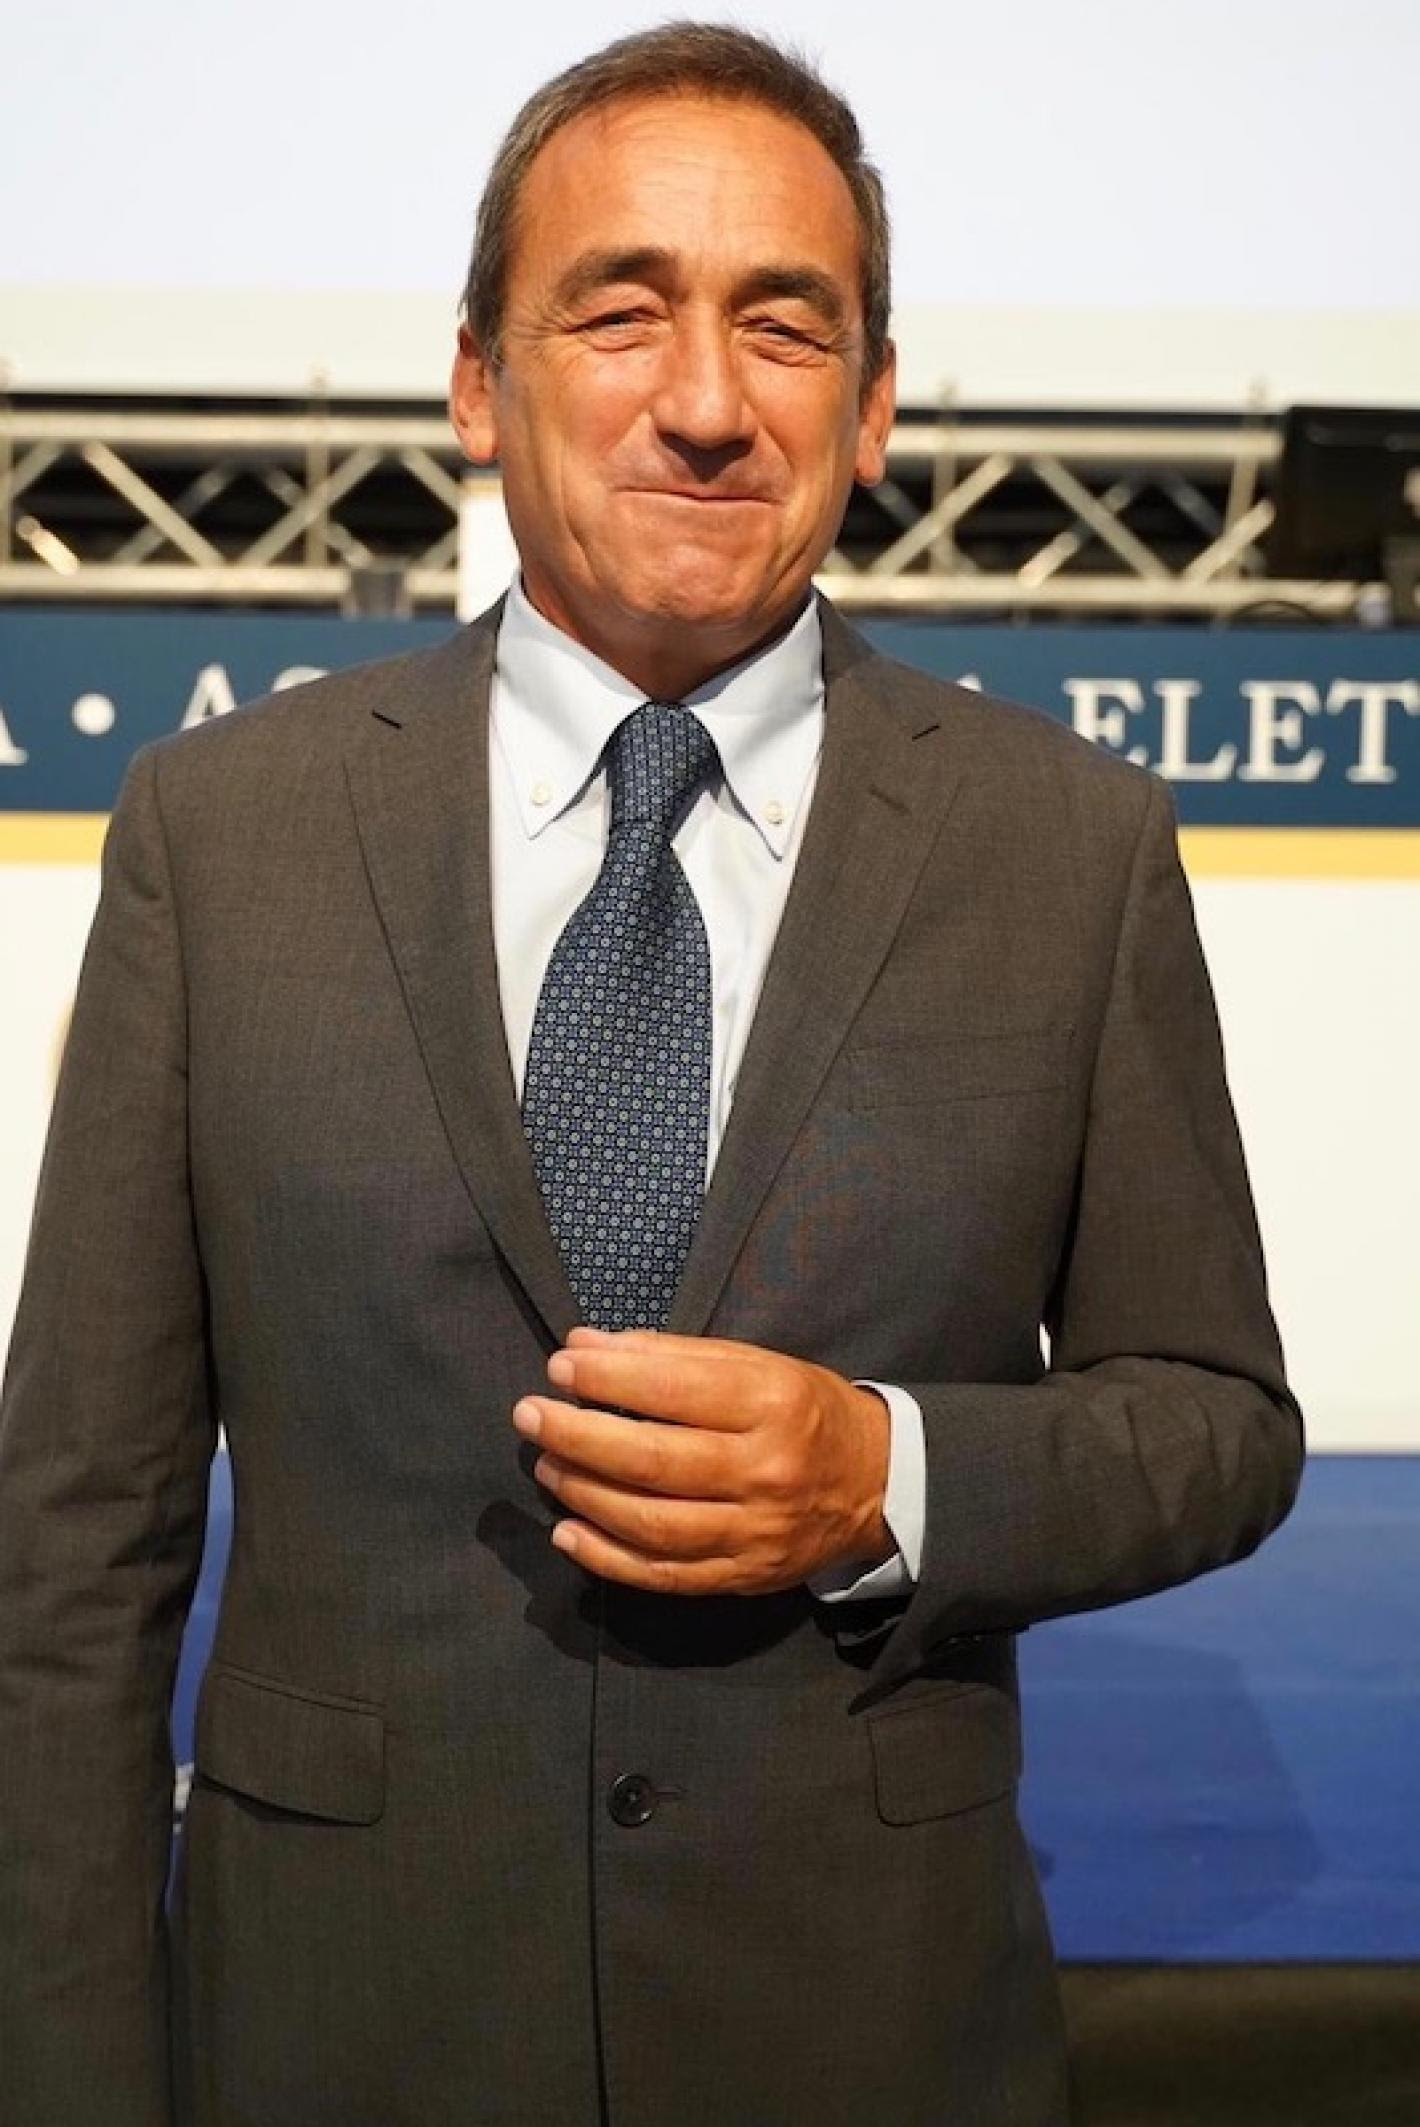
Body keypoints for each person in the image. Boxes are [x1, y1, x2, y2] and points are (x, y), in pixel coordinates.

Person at [0, 23, 1303, 2127]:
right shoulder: (217, 836)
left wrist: (887, 1476)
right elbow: (75, 1537)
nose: (705, 400)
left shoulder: (1069, 851)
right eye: (620, 312)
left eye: (784, 327)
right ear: (473, 384)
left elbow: (1217, 1422)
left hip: (861, 2032)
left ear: (872, 407)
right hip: (335, 2025)